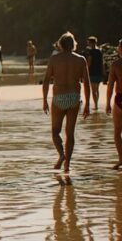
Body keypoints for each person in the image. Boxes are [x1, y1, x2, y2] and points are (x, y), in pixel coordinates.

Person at [42, 32, 91, 173]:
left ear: (60, 44)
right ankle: (67, 165)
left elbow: (46, 80)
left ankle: (61, 155)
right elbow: (86, 83)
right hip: (74, 98)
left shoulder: (54, 59)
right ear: (73, 44)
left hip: (59, 98)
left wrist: (45, 100)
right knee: (70, 133)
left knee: (55, 132)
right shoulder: (81, 60)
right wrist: (88, 104)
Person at [106, 40, 122, 170]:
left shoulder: (116, 65)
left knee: (117, 131)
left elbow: (110, 85)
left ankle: (121, 159)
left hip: (120, 99)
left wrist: (107, 103)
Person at [84, 36, 104, 109]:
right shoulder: (99, 51)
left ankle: (96, 105)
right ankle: (96, 104)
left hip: (92, 72)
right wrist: (103, 71)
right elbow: (102, 62)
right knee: (97, 89)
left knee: (93, 90)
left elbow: (89, 62)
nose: (88, 44)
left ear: (91, 43)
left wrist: (86, 71)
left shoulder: (91, 52)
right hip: (98, 72)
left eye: (88, 43)